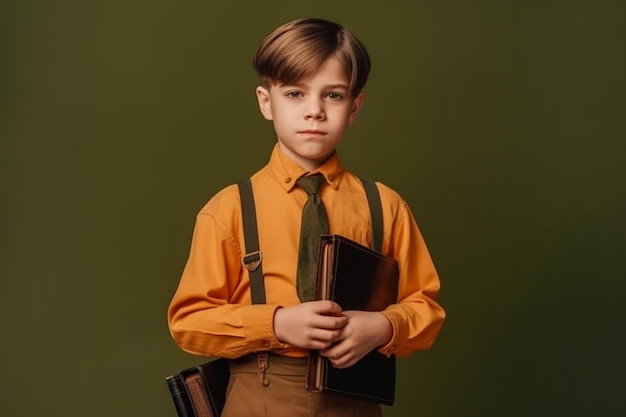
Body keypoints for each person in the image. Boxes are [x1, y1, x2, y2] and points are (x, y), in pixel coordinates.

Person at [167, 17, 445, 417]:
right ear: (267, 102)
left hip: (353, 399)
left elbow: (426, 308)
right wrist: (275, 325)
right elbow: (188, 322)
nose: (314, 111)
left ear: (355, 107)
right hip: (259, 398)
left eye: (333, 95)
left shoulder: (385, 205)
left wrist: (383, 327)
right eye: (295, 93)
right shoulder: (227, 209)